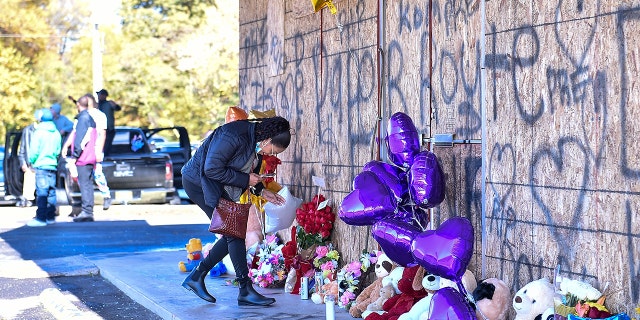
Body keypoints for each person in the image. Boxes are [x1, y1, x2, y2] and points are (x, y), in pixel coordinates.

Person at [180, 116, 291, 306]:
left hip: (220, 186)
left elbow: (248, 173)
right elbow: (211, 169)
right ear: (267, 140)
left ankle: (198, 276)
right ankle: (243, 290)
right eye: (273, 150)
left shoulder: (256, 142)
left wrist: (262, 191)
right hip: (200, 184)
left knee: (232, 234)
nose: (272, 155)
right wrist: (246, 180)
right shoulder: (233, 135)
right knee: (234, 234)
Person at [61, 94, 99, 222]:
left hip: (83, 158)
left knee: (84, 185)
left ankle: (87, 212)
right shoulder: (90, 118)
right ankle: (88, 211)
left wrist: (74, 156)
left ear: (78, 105)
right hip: (90, 157)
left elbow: (80, 140)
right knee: (87, 185)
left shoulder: (82, 119)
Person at [25, 109, 62, 227]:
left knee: (41, 193)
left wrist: (31, 161)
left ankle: (40, 218)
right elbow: (58, 150)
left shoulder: (39, 132)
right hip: (52, 165)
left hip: (41, 166)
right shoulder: (56, 132)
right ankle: (51, 217)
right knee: (51, 193)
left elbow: (34, 151)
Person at [17, 109, 44, 207]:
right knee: (29, 193)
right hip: (30, 165)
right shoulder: (28, 130)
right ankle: (29, 202)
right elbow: (22, 148)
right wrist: (23, 162)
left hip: (42, 164)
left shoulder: (46, 131)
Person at [96, 89, 121, 156]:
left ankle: (106, 156)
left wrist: (114, 105)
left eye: (100, 94)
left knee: (107, 146)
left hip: (109, 129)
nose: (98, 96)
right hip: (98, 129)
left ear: (104, 95)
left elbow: (118, 108)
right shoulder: (96, 105)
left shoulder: (109, 104)